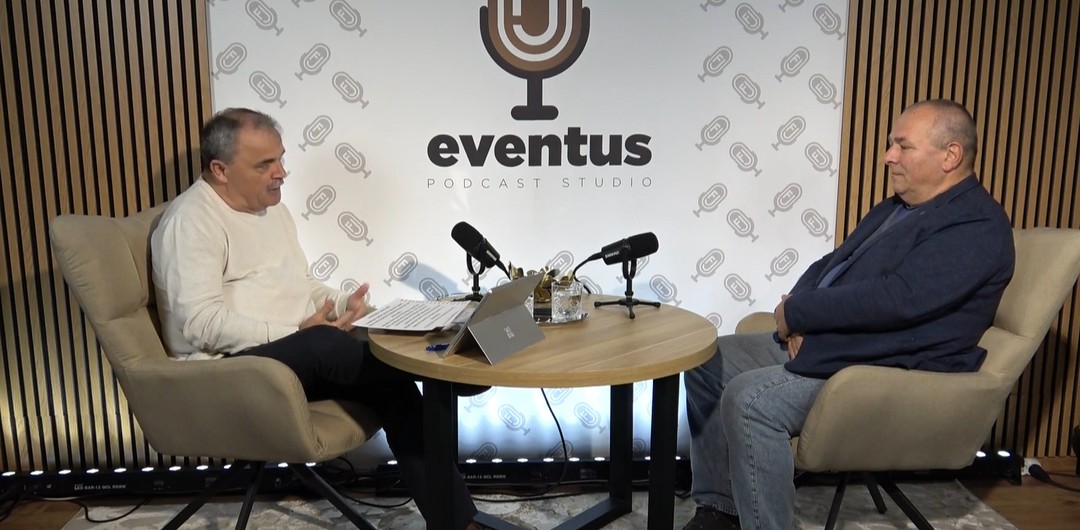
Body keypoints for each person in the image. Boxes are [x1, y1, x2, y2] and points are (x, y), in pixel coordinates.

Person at [682, 99, 1015, 530]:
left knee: (751, 401)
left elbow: (899, 299)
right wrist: (797, 314)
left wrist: (799, 313)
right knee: (708, 363)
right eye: (891, 144)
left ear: (950, 155)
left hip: (884, 367)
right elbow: (832, 263)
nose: (888, 156)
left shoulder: (976, 225)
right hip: (838, 345)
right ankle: (720, 510)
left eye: (903, 146)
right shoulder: (896, 208)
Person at [151, 108, 487, 530]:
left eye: (281, 159)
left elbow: (303, 284)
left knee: (394, 386)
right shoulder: (191, 221)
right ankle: (441, 370)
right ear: (220, 170)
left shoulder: (271, 209)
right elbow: (199, 323)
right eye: (264, 164)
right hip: (226, 373)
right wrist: (297, 332)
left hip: (298, 354)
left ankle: (459, 522)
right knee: (326, 344)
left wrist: (344, 303)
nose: (281, 173)